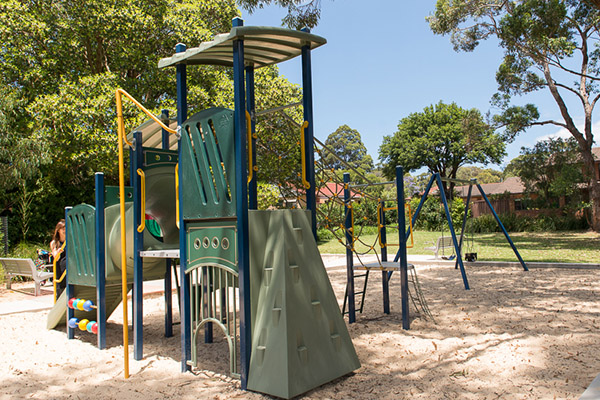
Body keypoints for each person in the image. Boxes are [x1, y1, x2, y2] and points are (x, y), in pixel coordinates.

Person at [50, 219, 67, 297]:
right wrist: (57, 252)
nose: (64, 230)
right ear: (58, 230)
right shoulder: (54, 243)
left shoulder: (69, 241)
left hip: (68, 269)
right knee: (60, 289)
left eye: (66, 228)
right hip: (59, 269)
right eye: (62, 228)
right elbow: (55, 256)